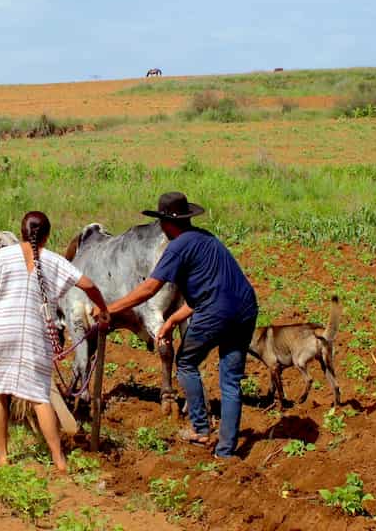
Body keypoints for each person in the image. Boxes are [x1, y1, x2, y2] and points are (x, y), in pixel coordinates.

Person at [101, 192, 258, 459]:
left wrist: (108, 308)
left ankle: (201, 429)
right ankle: (226, 450)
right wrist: (173, 320)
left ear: (167, 223)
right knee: (230, 380)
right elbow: (200, 295)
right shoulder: (207, 239)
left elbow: (149, 288)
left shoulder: (177, 246)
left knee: (185, 362)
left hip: (217, 311)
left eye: (162, 221)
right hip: (245, 309)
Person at [0, 210, 109, 472]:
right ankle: (59, 459)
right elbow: (88, 284)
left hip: (1, 329)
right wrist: (102, 308)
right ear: (46, 236)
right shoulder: (54, 261)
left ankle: (3, 457)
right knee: (39, 397)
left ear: (22, 232)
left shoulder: (3, 255)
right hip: (34, 334)